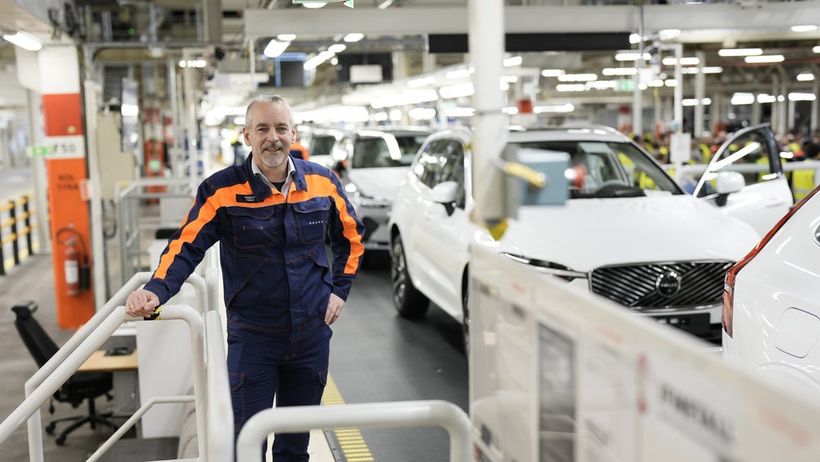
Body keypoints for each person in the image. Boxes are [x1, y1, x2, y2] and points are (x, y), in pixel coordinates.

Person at [125, 94, 365, 461]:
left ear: (294, 133)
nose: (273, 137)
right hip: (254, 338)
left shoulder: (322, 183)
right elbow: (186, 246)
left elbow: (351, 238)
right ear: (247, 135)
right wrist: (156, 290)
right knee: (244, 446)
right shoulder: (222, 190)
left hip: (311, 336)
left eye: (281, 128)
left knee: (294, 448)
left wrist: (340, 291)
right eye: (263, 128)